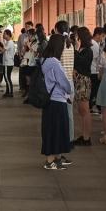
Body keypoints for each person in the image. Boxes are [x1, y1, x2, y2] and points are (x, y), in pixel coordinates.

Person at [40, 33, 73, 170]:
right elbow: (64, 82)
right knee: (57, 130)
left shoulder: (44, 60)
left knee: (53, 129)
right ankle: (50, 161)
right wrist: (69, 90)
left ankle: (57, 158)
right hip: (57, 100)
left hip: (50, 100)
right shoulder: (54, 62)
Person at [55, 20, 76, 148]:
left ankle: (62, 139)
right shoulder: (70, 44)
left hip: (61, 83)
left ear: (56, 30)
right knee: (69, 113)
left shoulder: (59, 44)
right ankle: (70, 138)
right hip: (70, 82)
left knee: (59, 114)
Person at [72, 26, 94, 145]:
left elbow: (81, 63)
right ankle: (84, 135)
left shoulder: (88, 51)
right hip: (78, 80)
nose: (75, 38)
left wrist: (75, 49)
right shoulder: (81, 49)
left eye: (77, 36)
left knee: (85, 110)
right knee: (81, 110)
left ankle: (87, 137)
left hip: (84, 81)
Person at [90, 27, 105, 111]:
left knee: (93, 90)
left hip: (92, 69)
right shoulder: (94, 44)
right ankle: (92, 106)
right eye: (102, 36)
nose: (102, 38)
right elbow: (97, 59)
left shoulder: (93, 43)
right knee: (94, 90)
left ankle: (92, 106)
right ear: (97, 35)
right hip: (94, 70)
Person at [1, 29, 17, 97]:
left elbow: (2, 50)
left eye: (4, 34)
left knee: (7, 78)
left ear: (8, 35)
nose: (3, 35)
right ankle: (8, 91)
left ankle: (10, 92)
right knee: (7, 77)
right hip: (7, 62)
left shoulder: (10, 42)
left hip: (8, 63)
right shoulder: (8, 42)